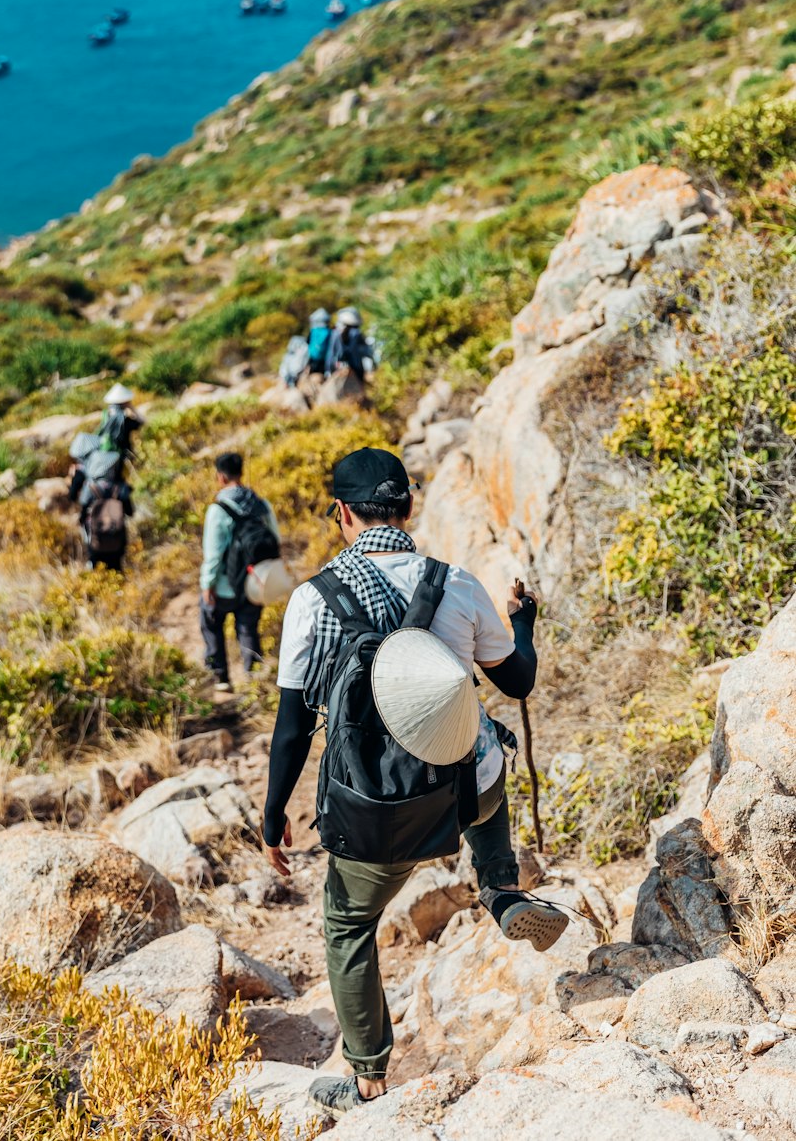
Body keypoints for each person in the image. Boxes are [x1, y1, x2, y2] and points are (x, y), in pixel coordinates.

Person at [261, 447, 567, 1118]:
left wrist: (273, 814)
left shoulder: (314, 601)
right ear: (407, 507)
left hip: (379, 808)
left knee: (347, 925)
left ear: (343, 514)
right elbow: (516, 681)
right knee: (483, 748)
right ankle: (501, 888)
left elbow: (290, 729)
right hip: (464, 786)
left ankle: (368, 1078)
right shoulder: (456, 583)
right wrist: (522, 622)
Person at [200, 452, 281, 694]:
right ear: (241, 472)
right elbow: (275, 540)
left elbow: (213, 553)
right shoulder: (261, 504)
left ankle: (221, 677)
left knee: (210, 620)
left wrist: (207, 584)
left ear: (220, 477)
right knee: (247, 627)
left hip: (225, 585)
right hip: (254, 582)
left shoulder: (219, 509)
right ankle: (254, 681)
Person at [68, 448, 134, 571]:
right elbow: (130, 512)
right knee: (116, 569)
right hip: (117, 537)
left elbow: (82, 515)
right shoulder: (121, 487)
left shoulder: (90, 488)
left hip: (95, 538)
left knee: (96, 569)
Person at [97, 382, 143, 463]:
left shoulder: (106, 415)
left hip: (105, 454)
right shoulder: (123, 420)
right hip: (121, 457)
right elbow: (142, 423)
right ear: (125, 402)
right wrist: (132, 409)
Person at [325, 307, 370, 380]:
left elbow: (331, 352)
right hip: (356, 367)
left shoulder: (335, 333)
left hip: (339, 368)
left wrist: (328, 369)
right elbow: (365, 351)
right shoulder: (357, 333)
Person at [306, 308, 332, 375]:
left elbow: (307, 342)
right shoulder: (329, 331)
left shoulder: (313, 330)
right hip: (325, 358)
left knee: (313, 375)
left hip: (312, 357)